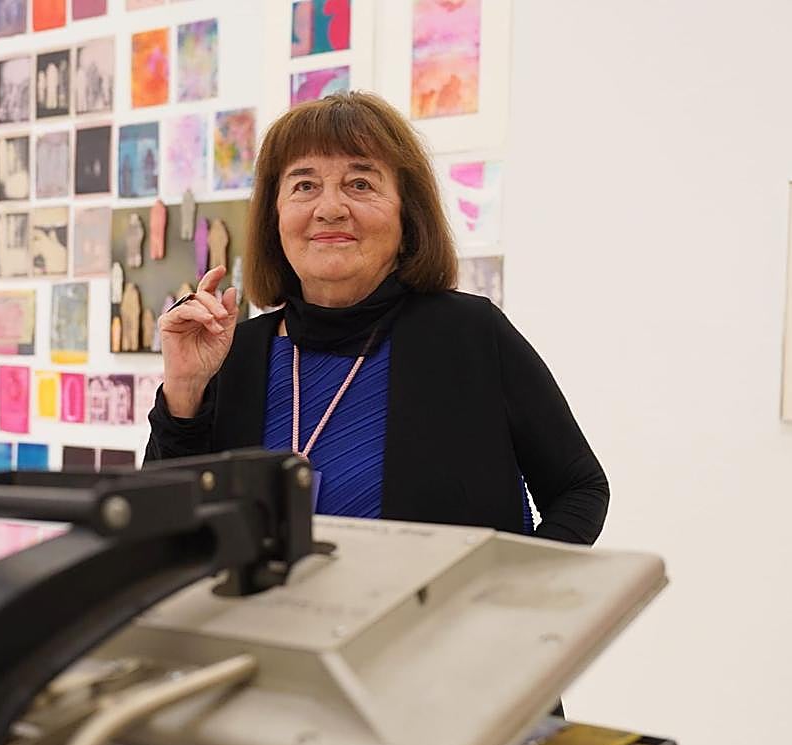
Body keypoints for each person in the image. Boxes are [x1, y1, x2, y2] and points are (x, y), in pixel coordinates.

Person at [145, 92, 608, 546]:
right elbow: (162, 528)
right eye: (304, 185)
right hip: (263, 622)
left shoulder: (470, 333)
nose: (329, 208)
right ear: (275, 216)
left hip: (434, 623)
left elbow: (580, 491)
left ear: (408, 213)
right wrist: (184, 391)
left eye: (360, 183)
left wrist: (508, 605)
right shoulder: (236, 353)